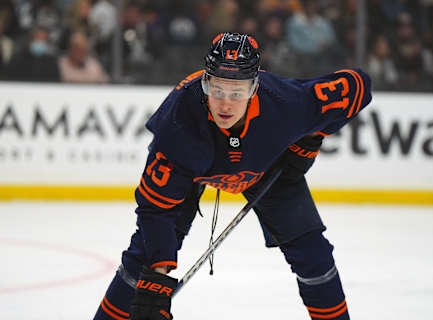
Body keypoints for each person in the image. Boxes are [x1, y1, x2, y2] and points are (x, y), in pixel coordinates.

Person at [93, 32, 372, 320]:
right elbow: (155, 208)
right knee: (144, 260)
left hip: (266, 167)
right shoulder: (180, 120)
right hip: (192, 173)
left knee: (314, 254)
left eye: (237, 93)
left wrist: (310, 138)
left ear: (254, 87)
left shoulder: (286, 103)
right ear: (205, 83)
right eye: (218, 91)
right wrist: (157, 279)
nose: (226, 104)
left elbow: (359, 85)